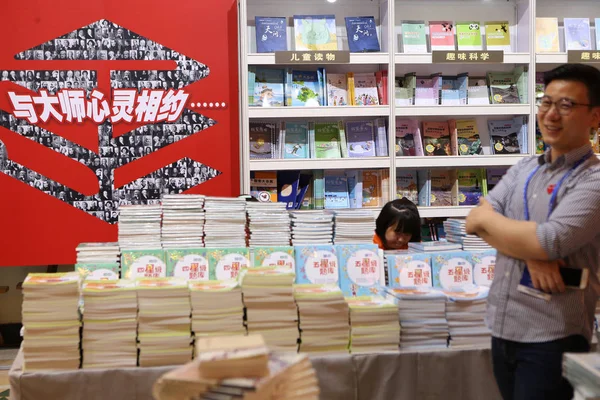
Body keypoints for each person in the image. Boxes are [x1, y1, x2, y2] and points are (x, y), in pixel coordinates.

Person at [465, 64, 600, 400]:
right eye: (546, 102)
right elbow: (474, 219)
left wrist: (535, 246)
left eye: (566, 105)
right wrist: (532, 254)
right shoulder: (525, 167)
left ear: (595, 117)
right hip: (503, 326)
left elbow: (550, 240)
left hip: (552, 336)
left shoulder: (593, 180)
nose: (551, 115)